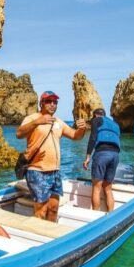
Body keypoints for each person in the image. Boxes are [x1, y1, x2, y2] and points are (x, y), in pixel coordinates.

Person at [16, 91, 87, 221]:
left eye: (55, 102)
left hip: (55, 172)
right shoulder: (32, 118)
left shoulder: (58, 122)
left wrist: (82, 129)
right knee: (41, 210)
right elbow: (19, 134)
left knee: (54, 208)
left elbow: (75, 136)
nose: (52, 104)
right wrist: (37, 122)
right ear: (41, 103)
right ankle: (39, 238)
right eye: (49, 101)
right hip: (37, 170)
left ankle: (51, 235)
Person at [83, 108, 121, 212]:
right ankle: (111, 215)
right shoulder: (116, 125)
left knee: (97, 187)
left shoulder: (97, 120)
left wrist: (87, 157)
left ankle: (95, 217)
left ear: (96, 115)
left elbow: (93, 138)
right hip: (115, 155)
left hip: (102, 153)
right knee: (108, 188)